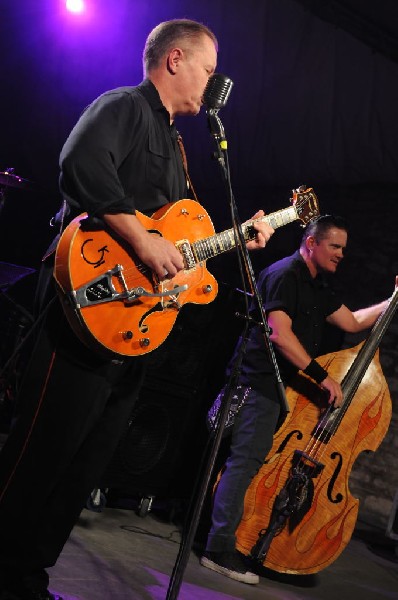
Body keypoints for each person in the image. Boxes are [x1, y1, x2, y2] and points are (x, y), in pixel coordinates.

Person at [0, 19, 274, 600]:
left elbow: (175, 239)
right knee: (44, 446)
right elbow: (79, 161)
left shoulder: (177, 145)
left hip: (130, 321)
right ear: (175, 59)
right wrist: (142, 240)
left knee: (87, 456)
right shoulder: (123, 106)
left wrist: (232, 240)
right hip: (85, 299)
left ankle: (27, 577)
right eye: (207, 67)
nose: (212, 80)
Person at [200, 214, 398, 585]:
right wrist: (322, 377)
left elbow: (354, 322)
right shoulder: (285, 274)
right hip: (255, 383)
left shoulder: (316, 285)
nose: (341, 254)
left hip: (278, 390)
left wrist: (393, 300)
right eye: (334, 246)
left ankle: (231, 540)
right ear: (312, 243)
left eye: (343, 248)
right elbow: (278, 332)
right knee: (243, 464)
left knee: (253, 464)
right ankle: (218, 548)